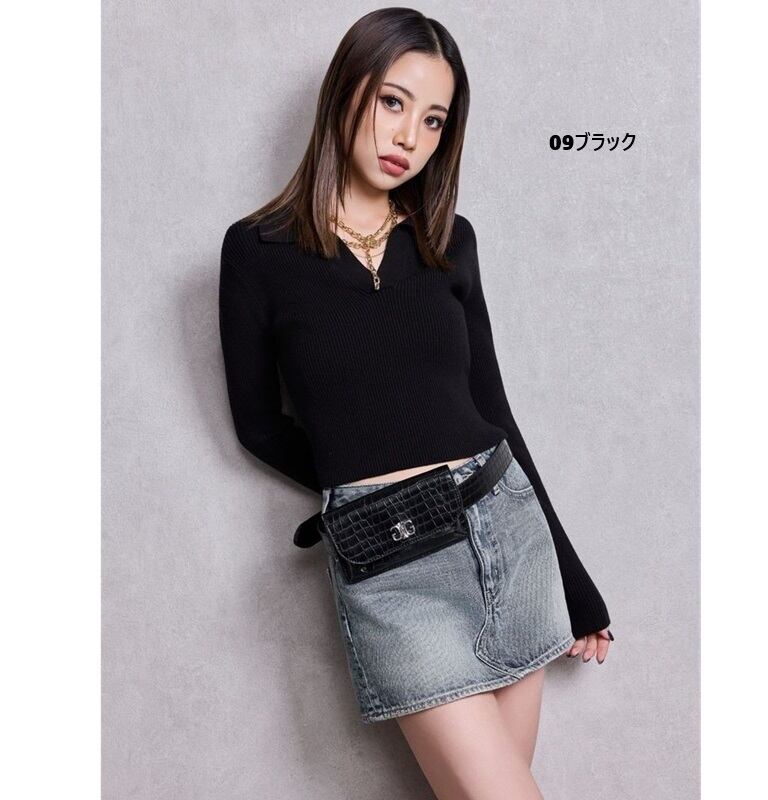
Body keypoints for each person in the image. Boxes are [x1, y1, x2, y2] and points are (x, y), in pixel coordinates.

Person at [218, 8, 613, 799]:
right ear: (346, 91)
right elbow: (259, 425)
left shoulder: (448, 241)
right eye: (392, 102)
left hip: (507, 530)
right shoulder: (258, 251)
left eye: (434, 119)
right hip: (394, 563)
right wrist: (370, 492)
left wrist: (575, 582)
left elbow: (494, 408)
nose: (409, 136)